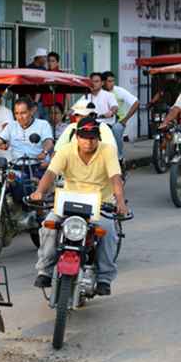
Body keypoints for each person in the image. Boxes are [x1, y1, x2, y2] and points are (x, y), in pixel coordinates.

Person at [30, 117, 129, 295]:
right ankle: (44, 270)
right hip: (68, 203)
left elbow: (116, 178)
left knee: (108, 232)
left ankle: (104, 278)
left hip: (100, 205)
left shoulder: (108, 151)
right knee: (48, 226)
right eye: (84, 137)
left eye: (92, 137)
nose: (88, 142)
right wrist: (39, 192)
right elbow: (50, 174)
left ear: (98, 137)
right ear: (76, 136)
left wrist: (120, 202)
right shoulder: (65, 151)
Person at [0, 97, 54, 167]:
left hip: (38, 165)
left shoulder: (43, 124)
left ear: (31, 111)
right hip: (15, 166)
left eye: (23, 113)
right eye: (16, 113)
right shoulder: (11, 126)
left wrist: (44, 152)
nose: (19, 117)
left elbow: (48, 141)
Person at [103, 71, 140, 159]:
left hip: (118, 121)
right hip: (102, 121)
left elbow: (136, 103)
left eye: (113, 81)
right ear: (103, 82)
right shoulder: (98, 92)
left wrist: (125, 119)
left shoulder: (119, 91)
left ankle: (119, 157)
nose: (111, 83)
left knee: (116, 130)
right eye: (109, 81)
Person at [41, 52, 66, 122]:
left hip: (57, 104)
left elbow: (67, 92)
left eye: (53, 61)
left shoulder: (62, 75)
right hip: (46, 104)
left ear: (57, 63)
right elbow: (40, 90)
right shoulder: (44, 74)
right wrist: (36, 103)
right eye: (49, 61)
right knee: (47, 124)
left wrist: (67, 106)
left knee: (57, 124)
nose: (50, 63)